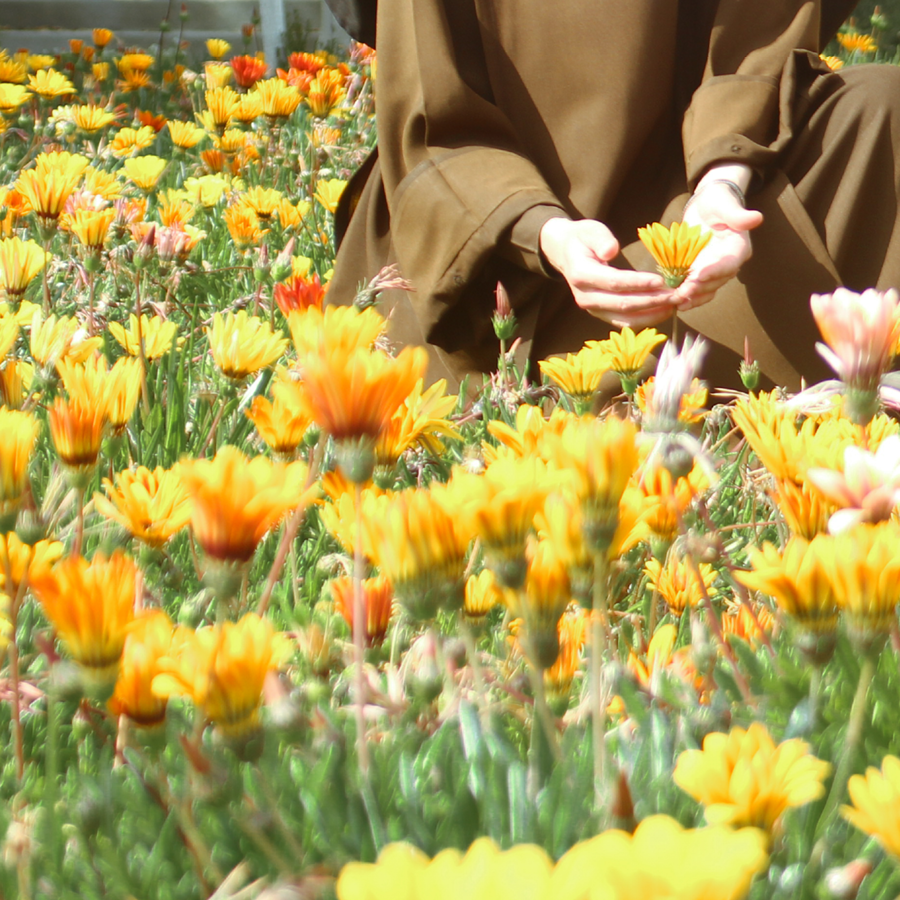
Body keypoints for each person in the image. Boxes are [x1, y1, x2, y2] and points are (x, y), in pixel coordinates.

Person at [328, 1, 899, 393]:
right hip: (506, 269)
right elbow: (435, 120)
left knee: (883, 108)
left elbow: (756, 47)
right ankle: (589, 414)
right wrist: (545, 232)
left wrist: (722, 183)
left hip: (700, 229)